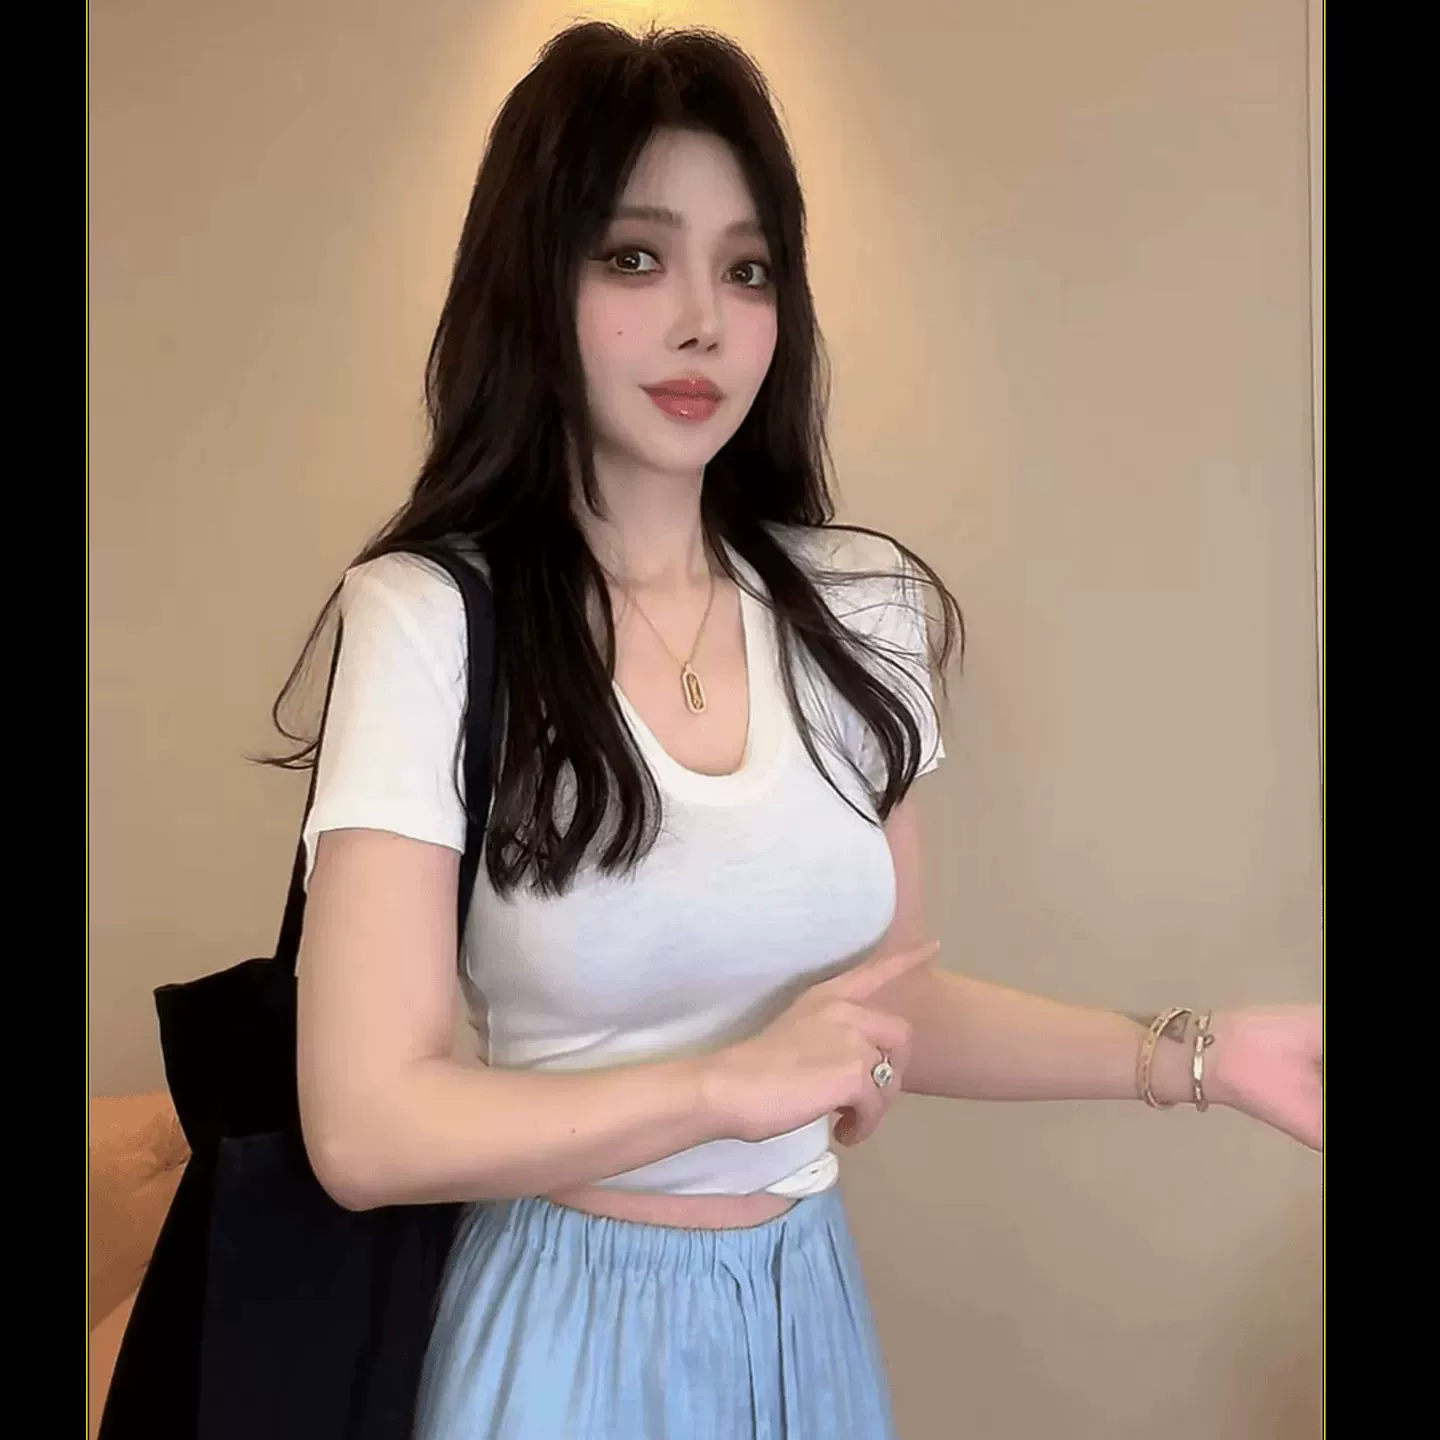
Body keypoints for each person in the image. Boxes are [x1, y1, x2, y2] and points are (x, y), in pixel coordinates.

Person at [281, 21, 1322, 1440]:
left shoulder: (860, 606)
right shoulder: (428, 620)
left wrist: (1200, 1057)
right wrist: (726, 1087)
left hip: (802, 1304)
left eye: (748, 268)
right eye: (634, 257)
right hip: (562, 1329)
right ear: (533, 279)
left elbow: (891, 1005)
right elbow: (365, 1128)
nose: (704, 322)